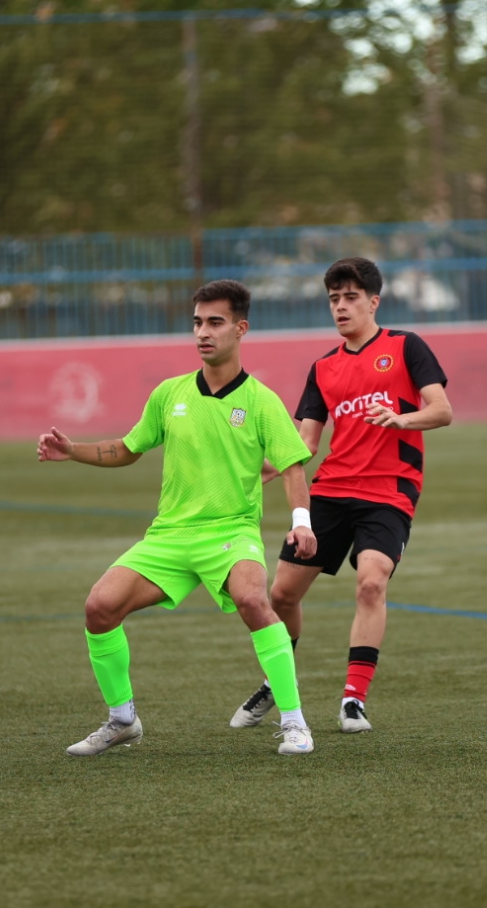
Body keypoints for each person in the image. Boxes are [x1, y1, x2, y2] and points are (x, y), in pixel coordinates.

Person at [37, 279, 320, 757]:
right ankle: (122, 720)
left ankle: (295, 722)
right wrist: (73, 451)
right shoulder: (169, 393)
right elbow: (128, 448)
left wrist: (302, 522)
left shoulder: (261, 401)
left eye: (215, 322)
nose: (203, 332)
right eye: (197, 323)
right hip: (170, 536)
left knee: (254, 599)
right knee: (99, 607)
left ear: (240, 328)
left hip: (231, 532)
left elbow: (293, 466)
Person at [231, 257, 451, 735]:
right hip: (330, 491)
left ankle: (353, 700)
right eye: (334, 299)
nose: (341, 307)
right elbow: (305, 443)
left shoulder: (405, 347)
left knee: (371, 583)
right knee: (281, 594)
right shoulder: (323, 368)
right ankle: (277, 681)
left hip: (389, 490)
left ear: (373, 302)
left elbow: (442, 409)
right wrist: (256, 471)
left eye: (351, 297)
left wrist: (402, 419)